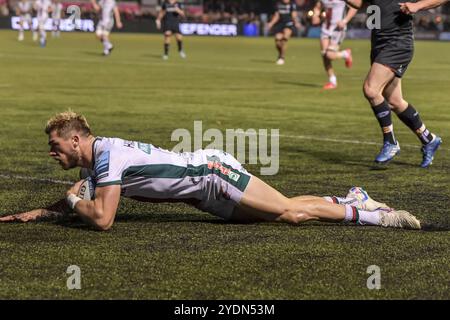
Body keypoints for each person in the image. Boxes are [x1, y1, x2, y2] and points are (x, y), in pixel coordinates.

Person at [0, 111, 421, 231]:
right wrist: (32, 214)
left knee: (291, 214)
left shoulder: (107, 159)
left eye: (55, 146)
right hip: (202, 195)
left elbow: (104, 219)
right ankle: (346, 200)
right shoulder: (98, 162)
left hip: (212, 173)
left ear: (75, 141)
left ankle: (371, 214)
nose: (51, 153)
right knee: (284, 213)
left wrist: (75, 200)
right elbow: (74, 200)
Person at [344, 0, 442, 167]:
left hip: (397, 43)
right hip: (378, 44)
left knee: (371, 89)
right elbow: (360, 3)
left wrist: (417, 6)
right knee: (395, 102)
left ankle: (390, 142)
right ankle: (429, 139)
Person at [311, 0, 357, 89]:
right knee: (324, 55)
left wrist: (345, 20)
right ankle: (332, 81)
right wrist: (315, 15)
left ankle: (346, 54)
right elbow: (318, 6)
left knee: (330, 55)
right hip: (325, 28)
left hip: (338, 29)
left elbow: (354, 7)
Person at [266, 0, 302, 65]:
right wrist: (271, 23)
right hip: (280, 24)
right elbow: (277, 16)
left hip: (289, 23)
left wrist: (296, 22)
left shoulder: (292, 4)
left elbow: (294, 15)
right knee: (277, 42)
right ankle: (280, 54)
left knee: (284, 39)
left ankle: (282, 57)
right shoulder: (278, 3)